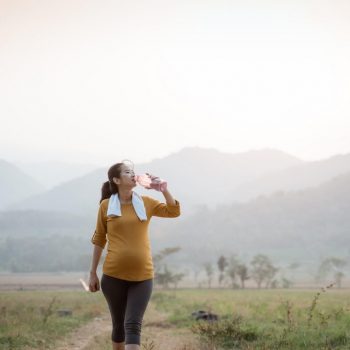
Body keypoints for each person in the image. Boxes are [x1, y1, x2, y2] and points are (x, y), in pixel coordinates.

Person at [88, 161, 180, 350]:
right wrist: (92, 273)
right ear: (116, 180)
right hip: (113, 277)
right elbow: (99, 239)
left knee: (133, 325)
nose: (133, 175)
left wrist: (163, 189)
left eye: (133, 172)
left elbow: (173, 211)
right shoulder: (106, 206)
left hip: (143, 277)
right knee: (119, 326)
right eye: (127, 172)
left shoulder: (146, 202)